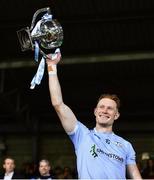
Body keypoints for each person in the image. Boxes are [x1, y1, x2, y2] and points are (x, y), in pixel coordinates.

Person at [46, 52, 142, 179]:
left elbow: (135, 175)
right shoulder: (82, 135)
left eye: (110, 108)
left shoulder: (126, 145)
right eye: (101, 107)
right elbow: (58, 104)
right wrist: (51, 67)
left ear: (116, 115)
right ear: (95, 111)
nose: (104, 110)